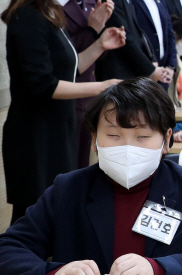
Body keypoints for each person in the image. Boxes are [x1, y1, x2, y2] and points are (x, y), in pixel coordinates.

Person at [0, 78, 182, 275]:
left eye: (142, 137)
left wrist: (161, 269)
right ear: (95, 138)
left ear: (166, 139)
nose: (128, 147)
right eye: (114, 135)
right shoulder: (69, 189)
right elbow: (8, 251)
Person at [2, 0, 125, 224]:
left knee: (56, 213)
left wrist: (100, 45)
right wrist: (102, 87)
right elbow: (43, 84)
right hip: (35, 135)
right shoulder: (27, 15)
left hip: (59, 131)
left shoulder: (50, 13)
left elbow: (70, 69)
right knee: (33, 218)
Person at [62, 0, 114, 169]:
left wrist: (102, 39)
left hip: (89, 96)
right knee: (70, 167)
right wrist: (92, 30)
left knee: (85, 164)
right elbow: (66, 59)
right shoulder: (52, 7)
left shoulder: (92, 3)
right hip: (69, 95)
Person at [96, 0, 168, 83]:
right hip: (118, 71)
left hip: (130, 71)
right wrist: (150, 69)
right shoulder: (113, 2)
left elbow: (138, 35)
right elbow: (124, 38)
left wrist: (150, 61)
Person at [133, 0, 177, 89]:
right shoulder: (132, 2)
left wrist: (171, 66)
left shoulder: (161, 2)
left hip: (163, 72)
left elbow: (170, 34)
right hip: (141, 72)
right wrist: (150, 69)